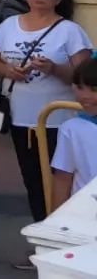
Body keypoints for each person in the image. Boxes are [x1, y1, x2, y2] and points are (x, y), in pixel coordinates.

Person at [0, 0, 91, 224]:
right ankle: (41, 237)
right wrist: (10, 71)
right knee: (33, 182)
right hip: (22, 119)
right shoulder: (9, 25)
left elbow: (86, 76)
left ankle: (67, 234)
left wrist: (53, 69)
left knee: (64, 180)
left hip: (60, 119)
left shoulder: (69, 31)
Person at [49, 58, 97, 213]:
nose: (84, 95)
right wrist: (55, 220)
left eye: (94, 89)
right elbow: (63, 178)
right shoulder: (71, 129)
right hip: (82, 216)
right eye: (80, 87)